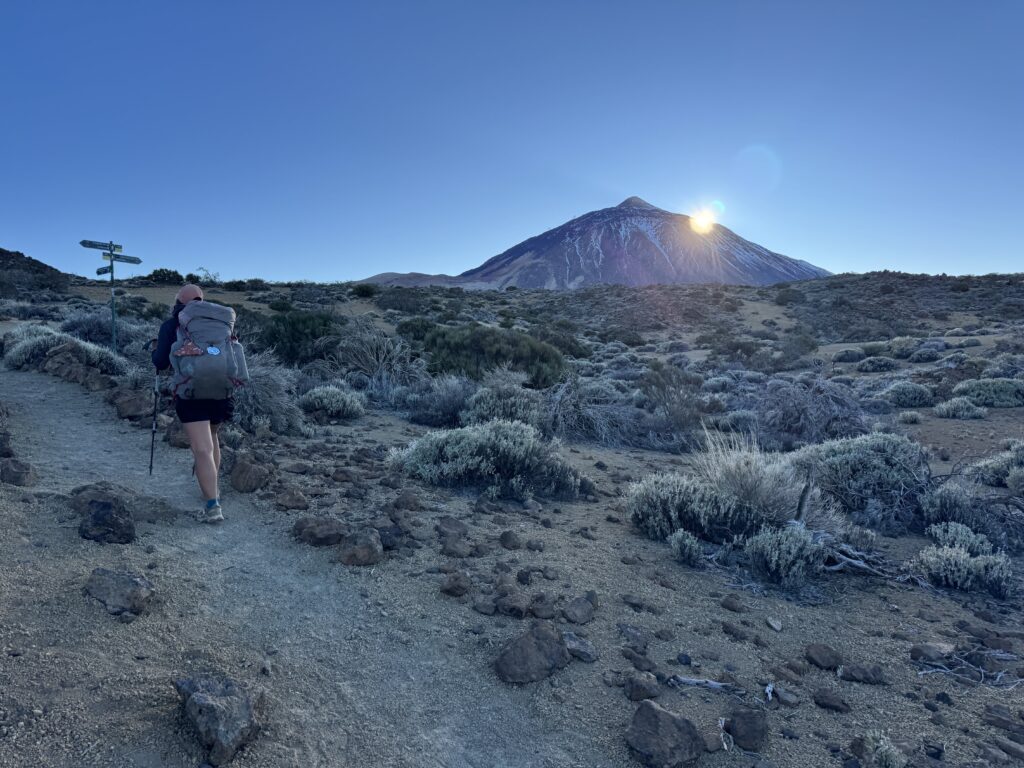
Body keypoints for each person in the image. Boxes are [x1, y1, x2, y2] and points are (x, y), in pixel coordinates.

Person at [152, 284, 233, 523]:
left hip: (191, 391)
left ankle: (213, 506)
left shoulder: (172, 324)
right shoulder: (219, 322)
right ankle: (213, 489)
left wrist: (157, 350)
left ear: (178, 301)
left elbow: (160, 363)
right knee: (212, 439)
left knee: (201, 448)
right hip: (222, 390)